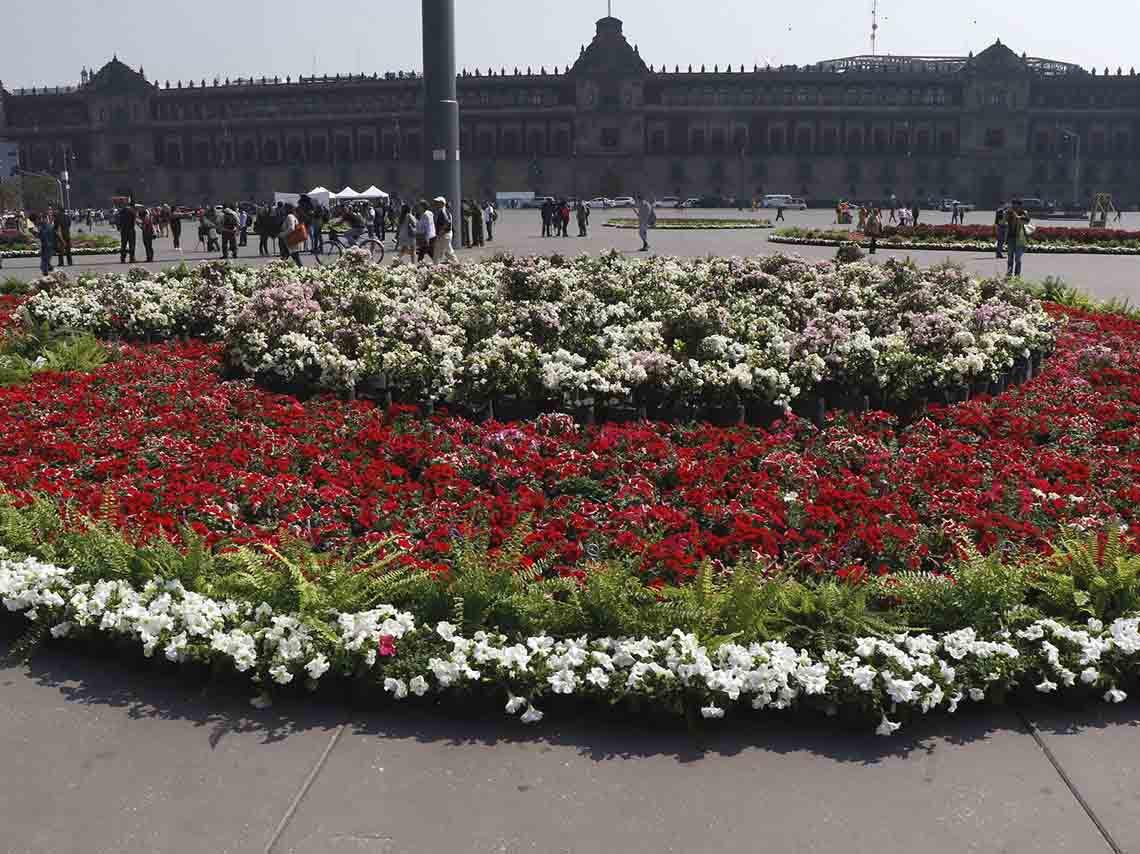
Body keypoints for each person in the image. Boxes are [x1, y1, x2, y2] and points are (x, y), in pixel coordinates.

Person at [1006, 200, 1029, 278]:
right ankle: (1009, 274)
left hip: (1019, 239)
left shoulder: (1024, 213)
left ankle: (1017, 275)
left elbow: (1026, 221)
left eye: (1016, 206)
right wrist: (1006, 214)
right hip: (1010, 238)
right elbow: (1002, 221)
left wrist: (1017, 217)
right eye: (1013, 205)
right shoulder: (1009, 213)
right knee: (1010, 258)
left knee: (1018, 258)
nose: (1015, 207)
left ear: (1020, 206)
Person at [432, 196, 455, 262]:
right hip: (445, 234)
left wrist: (441, 232)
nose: (436, 204)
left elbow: (447, 222)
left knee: (438, 252)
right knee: (448, 252)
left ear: (442, 203)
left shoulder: (443, 211)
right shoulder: (443, 211)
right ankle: (456, 264)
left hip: (444, 235)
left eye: (438, 202)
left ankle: (436, 267)